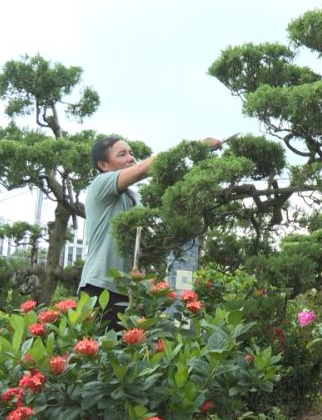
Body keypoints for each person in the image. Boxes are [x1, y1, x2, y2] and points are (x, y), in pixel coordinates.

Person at [78, 136, 221, 330]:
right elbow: (142, 169)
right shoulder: (100, 184)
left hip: (130, 292)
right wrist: (196, 146)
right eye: (122, 154)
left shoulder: (135, 198)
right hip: (100, 287)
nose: (130, 158)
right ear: (103, 165)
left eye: (131, 153)